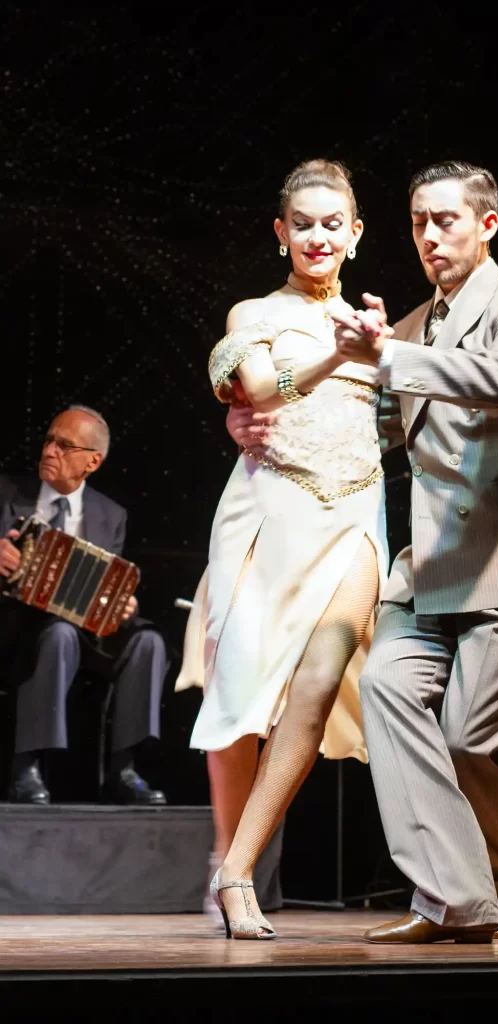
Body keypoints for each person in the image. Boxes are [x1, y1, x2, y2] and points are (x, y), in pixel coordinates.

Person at [232, 159, 498, 943]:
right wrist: (249, 423)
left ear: (487, 224)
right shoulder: (403, 327)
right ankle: (453, 901)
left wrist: (386, 358)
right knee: (390, 693)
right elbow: (361, 422)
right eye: (420, 222)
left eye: (447, 220)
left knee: (469, 742)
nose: (430, 236)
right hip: (426, 574)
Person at [182, 159, 388, 940]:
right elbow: (260, 387)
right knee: (239, 704)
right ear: (281, 233)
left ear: (356, 234)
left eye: (333, 222)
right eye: (302, 222)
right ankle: (227, 859)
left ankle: (238, 874)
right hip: (271, 515)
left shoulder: (379, 324)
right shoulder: (255, 312)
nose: (317, 235)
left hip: (356, 520)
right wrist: (340, 355)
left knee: (320, 677)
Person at [0, 405, 167, 806]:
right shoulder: (7, 493)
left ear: (92, 461)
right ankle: (26, 768)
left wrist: (120, 602)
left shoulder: (111, 515)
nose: (49, 451)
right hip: (16, 625)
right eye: (48, 440)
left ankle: (123, 771)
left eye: (64, 445)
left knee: (149, 642)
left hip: (82, 630)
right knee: (59, 634)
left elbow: (101, 584)